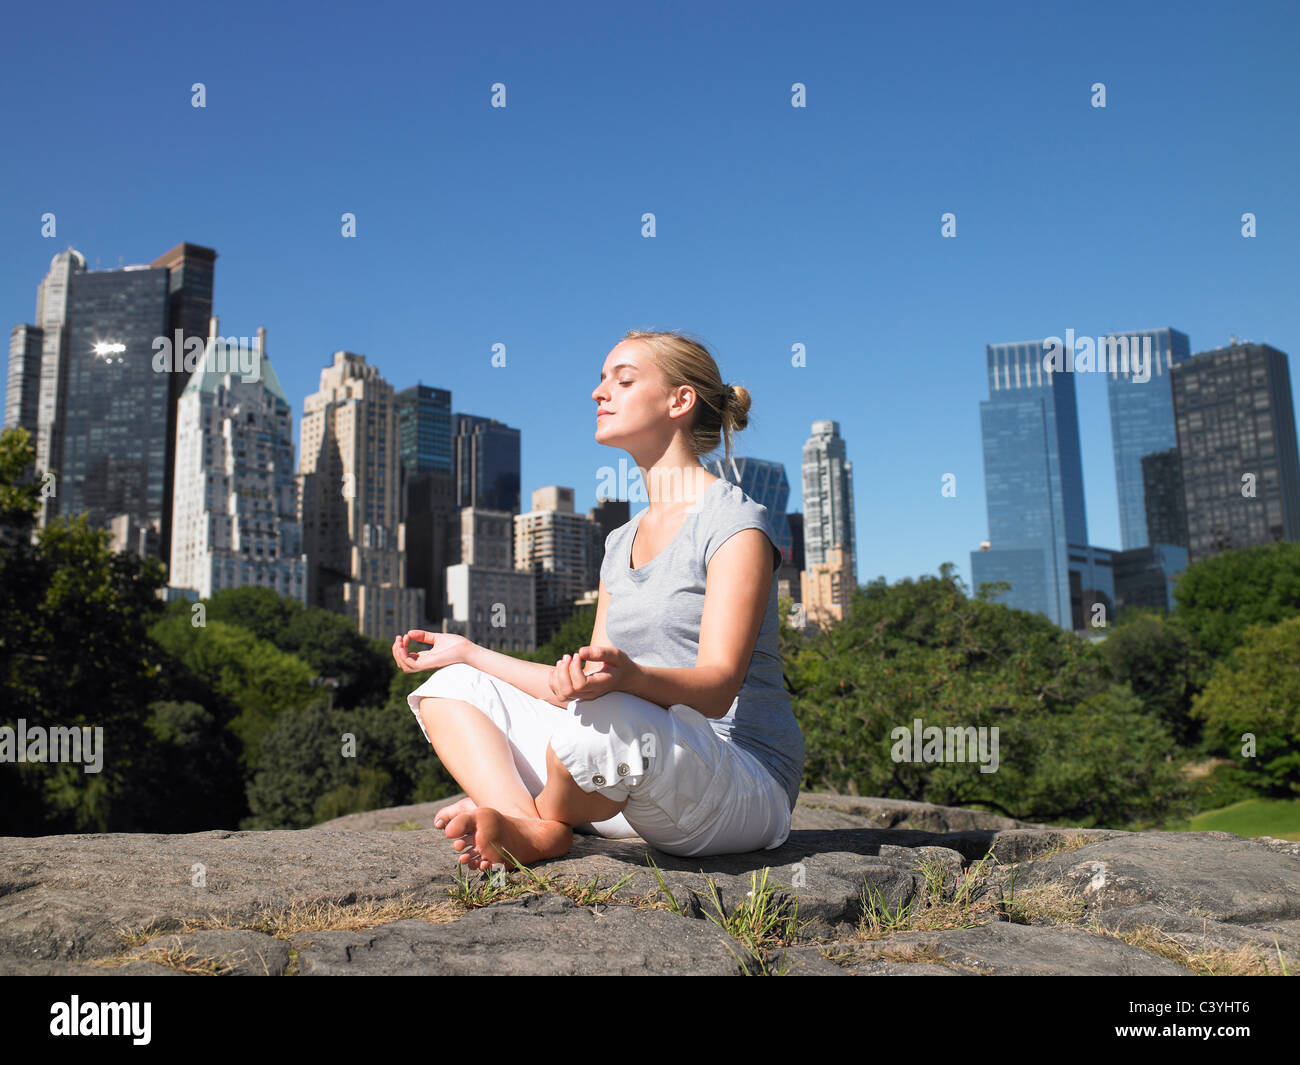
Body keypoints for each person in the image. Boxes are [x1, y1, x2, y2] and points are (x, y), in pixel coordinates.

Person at [391, 329, 805, 871]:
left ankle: (528, 815)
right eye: (602, 378)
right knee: (452, 689)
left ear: (680, 401)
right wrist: (467, 653)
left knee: (612, 714)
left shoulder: (735, 525)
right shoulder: (619, 541)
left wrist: (626, 680)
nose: (597, 393)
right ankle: (531, 827)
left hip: (738, 783)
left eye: (623, 379)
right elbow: (581, 691)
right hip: (635, 778)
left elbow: (717, 690)